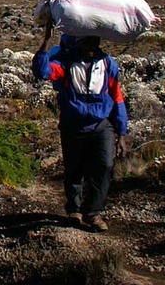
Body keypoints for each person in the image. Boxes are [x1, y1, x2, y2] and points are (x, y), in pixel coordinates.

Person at [33, 20, 129, 232]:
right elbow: (42, 72)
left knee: (104, 167)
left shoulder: (107, 64)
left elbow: (117, 97)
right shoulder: (66, 63)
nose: (91, 47)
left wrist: (121, 132)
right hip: (73, 124)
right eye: (87, 42)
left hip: (101, 125)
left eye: (94, 42)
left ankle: (94, 213)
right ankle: (74, 210)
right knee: (74, 170)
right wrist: (46, 41)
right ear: (78, 42)